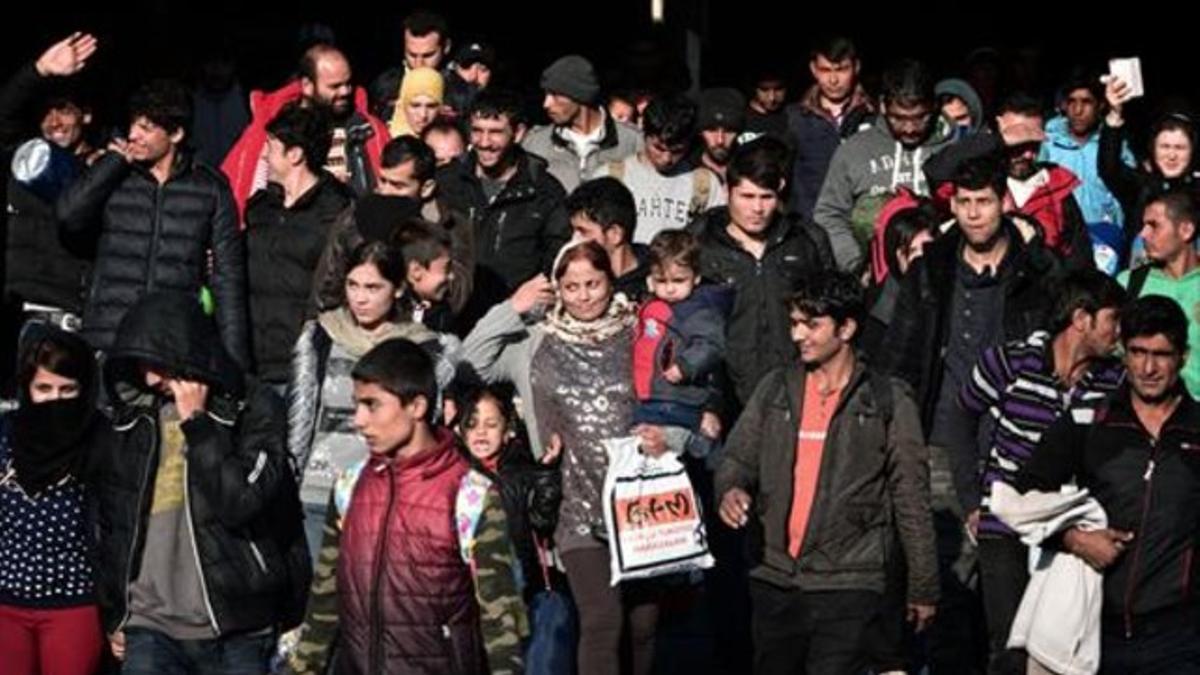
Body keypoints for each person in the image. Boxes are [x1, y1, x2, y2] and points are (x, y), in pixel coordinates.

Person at [716, 270, 938, 674]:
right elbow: (736, 459)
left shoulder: (888, 399)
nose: (799, 335)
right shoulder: (776, 388)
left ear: (847, 327)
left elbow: (911, 497)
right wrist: (730, 490)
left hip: (851, 582)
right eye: (795, 324)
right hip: (776, 577)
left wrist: (923, 585)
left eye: (812, 324)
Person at [92, 292, 308, 674]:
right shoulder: (131, 417)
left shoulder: (251, 406)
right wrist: (114, 613)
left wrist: (198, 425)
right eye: (139, 363)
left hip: (238, 626)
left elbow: (240, 501)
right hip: (149, 627)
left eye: (157, 362)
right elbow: (109, 522)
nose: (150, 378)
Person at [286, 339, 521, 674]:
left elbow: (502, 620)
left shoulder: (470, 494)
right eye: (357, 406)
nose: (359, 421)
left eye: (372, 405)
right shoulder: (349, 486)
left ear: (417, 406)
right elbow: (325, 597)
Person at [1016, 296, 1200, 672]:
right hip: (1094, 630)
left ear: (1183, 356)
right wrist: (1073, 538)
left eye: (1161, 355)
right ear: (1122, 352)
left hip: (1180, 635)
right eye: (1137, 352)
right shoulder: (1088, 421)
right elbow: (1022, 496)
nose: (1148, 368)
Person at [958, 270, 1126, 674]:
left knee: (1058, 650)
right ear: (1081, 319)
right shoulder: (1011, 362)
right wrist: (971, 498)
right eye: (1112, 320)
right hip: (1006, 523)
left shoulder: (1114, 381)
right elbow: (960, 416)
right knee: (1009, 646)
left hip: (1068, 529)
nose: (1118, 332)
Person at [56, 79, 250, 368]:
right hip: (107, 338)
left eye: (146, 128)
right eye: (133, 125)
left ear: (176, 133)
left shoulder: (210, 189)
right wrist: (111, 163)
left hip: (171, 343)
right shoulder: (112, 175)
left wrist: (236, 366)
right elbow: (68, 215)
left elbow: (228, 278)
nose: (133, 135)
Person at [288, 241, 459, 556]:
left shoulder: (422, 349)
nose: (360, 297)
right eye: (352, 285)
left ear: (396, 289)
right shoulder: (322, 337)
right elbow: (301, 414)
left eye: (372, 287)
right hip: (319, 490)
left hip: (385, 493)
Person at [692, 138, 834, 407]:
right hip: (722, 396)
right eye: (747, 196)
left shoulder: (806, 239)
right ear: (728, 191)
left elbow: (831, 314)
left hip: (795, 389)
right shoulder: (700, 241)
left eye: (766, 197)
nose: (757, 209)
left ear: (779, 192)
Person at [0, 327, 104, 675]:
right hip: (5, 602)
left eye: (67, 389)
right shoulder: (5, 437)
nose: (55, 400)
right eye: (44, 388)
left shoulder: (100, 442)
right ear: (27, 390)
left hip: (73, 604)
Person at [245, 102, 354, 389]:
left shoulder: (337, 213)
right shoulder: (259, 209)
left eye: (270, 145)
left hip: (306, 366)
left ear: (295, 154)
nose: (264, 155)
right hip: (253, 363)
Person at [1, 33, 99, 339]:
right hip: (19, 314)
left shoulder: (105, 169)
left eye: (64, 110)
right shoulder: (23, 162)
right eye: (46, 112)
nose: (54, 121)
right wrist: (39, 69)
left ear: (86, 114)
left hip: (76, 319)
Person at [813, 59, 954, 272]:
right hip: (873, 285)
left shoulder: (954, 149)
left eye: (919, 118)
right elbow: (829, 213)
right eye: (899, 118)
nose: (909, 128)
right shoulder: (854, 150)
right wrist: (854, 265)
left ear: (934, 106)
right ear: (882, 105)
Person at [221, 44, 389, 217]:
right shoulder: (276, 130)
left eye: (348, 83)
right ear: (307, 85)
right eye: (335, 86)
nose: (345, 91)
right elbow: (244, 189)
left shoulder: (369, 131)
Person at [437, 89, 571, 296]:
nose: (484, 142)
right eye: (477, 131)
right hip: (451, 305)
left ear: (518, 133)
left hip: (517, 312)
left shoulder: (544, 191)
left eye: (495, 132)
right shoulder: (447, 182)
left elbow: (558, 255)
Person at [633, 230, 728, 458]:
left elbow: (711, 344)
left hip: (678, 396)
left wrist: (685, 366)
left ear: (695, 278)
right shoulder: (651, 305)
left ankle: (703, 445)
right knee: (646, 445)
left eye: (678, 280)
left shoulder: (697, 311)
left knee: (674, 442)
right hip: (650, 395)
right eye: (661, 281)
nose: (670, 288)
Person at [595, 93, 724, 244]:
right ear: (644, 133)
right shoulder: (611, 177)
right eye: (658, 148)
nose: (666, 159)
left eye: (677, 151)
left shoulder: (705, 185)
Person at [1100, 73, 1200, 265]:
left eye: (1179, 148)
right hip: (1143, 282)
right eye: (1165, 146)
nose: (1171, 155)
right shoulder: (1140, 186)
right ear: (1153, 149)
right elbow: (1109, 167)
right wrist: (1114, 114)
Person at [1119, 190, 1200, 399]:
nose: (1143, 234)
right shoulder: (1129, 284)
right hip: (1143, 416)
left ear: (1186, 230)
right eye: (1143, 226)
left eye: (1154, 225)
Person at [786, 36, 875, 221]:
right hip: (808, 227)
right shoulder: (794, 118)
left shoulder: (874, 117)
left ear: (856, 67)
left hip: (859, 227)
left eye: (841, 70)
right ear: (813, 69)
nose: (833, 79)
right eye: (825, 70)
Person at [522, 55, 639, 193]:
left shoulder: (632, 142)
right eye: (546, 95)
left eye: (555, 95)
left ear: (580, 95)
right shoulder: (535, 144)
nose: (546, 104)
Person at [566, 176, 652, 302]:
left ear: (614, 234)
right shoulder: (569, 277)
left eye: (583, 232)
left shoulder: (661, 279)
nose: (575, 239)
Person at [388, 66, 444, 138]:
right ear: (403, 105)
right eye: (415, 106)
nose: (423, 115)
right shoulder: (382, 141)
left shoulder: (451, 139)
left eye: (431, 106)